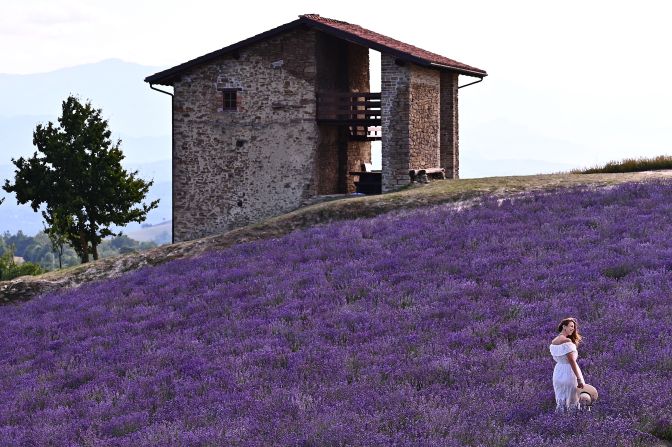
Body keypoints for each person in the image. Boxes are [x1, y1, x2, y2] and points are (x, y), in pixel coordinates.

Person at [549, 317, 585, 412]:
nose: (573, 329)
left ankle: (560, 421)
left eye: (574, 327)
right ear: (564, 327)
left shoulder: (553, 342)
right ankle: (572, 422)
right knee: (573, 401)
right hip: (569, 373)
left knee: (561, 400)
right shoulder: (567, 342)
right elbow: (572, 361)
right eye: (571, 326)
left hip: (558, 372)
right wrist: (579, 379)